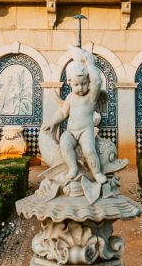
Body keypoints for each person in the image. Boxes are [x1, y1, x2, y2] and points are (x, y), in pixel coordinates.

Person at [42, 46, 107, 183]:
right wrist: (52, 121)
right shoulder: (70, 97)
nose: (80, 88)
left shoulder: (91, 97)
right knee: (64, 145)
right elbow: (63, 112)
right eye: (76, 85)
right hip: (71, 131)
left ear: (88, 82)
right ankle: (73, 168)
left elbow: (97, 81)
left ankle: (97, 173)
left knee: (89, 150)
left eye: (83, 84)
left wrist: (90, 63)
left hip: (85, 131)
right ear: (70, 83)